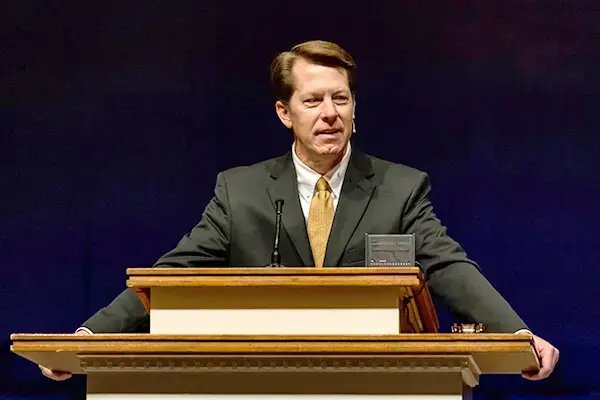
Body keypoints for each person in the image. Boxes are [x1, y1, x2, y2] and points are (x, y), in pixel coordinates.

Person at [40, 39, 559, 381]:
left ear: (355, 109)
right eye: (313, 101)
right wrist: (90, 335)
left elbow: (447, 265)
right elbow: (176, 270)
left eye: (341, 99)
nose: (330, 114)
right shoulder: (239, 191)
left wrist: (516, 335)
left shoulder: (401, 188)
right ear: (284, 113)